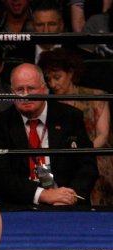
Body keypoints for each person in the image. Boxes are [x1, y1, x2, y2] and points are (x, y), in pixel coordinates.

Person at [0, 63, 98, 206]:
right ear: (12, 93)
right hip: (20, 205)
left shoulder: (69, 116)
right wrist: (43, 195)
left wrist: (70, 196)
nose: (25, 95)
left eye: (31, 88)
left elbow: (88, 166)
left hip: (67, 203)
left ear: (44, 89)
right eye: (20, 89)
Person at [38, 47, 113, 205]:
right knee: (46, 171)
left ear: (70, 73)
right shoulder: (46, 104)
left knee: (91, 170)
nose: (53, 84)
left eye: (57, 77)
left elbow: (103, 135)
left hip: (94, 155)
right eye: (48, 79)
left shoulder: (96, 96)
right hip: (59, 160)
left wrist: (81, 155)